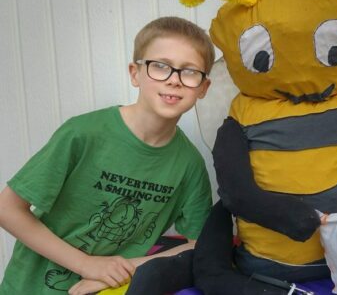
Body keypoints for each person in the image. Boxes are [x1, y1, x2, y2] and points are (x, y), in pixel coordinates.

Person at [0, 16, 215, 295]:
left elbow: (202, 244)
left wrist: (130, 266)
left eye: (189, 72)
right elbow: (7, 208)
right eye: (160, 66)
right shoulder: (83, 133)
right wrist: (87, 264)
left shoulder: (189, 165)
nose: (174, 80)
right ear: (135, 73)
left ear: (203, 88)